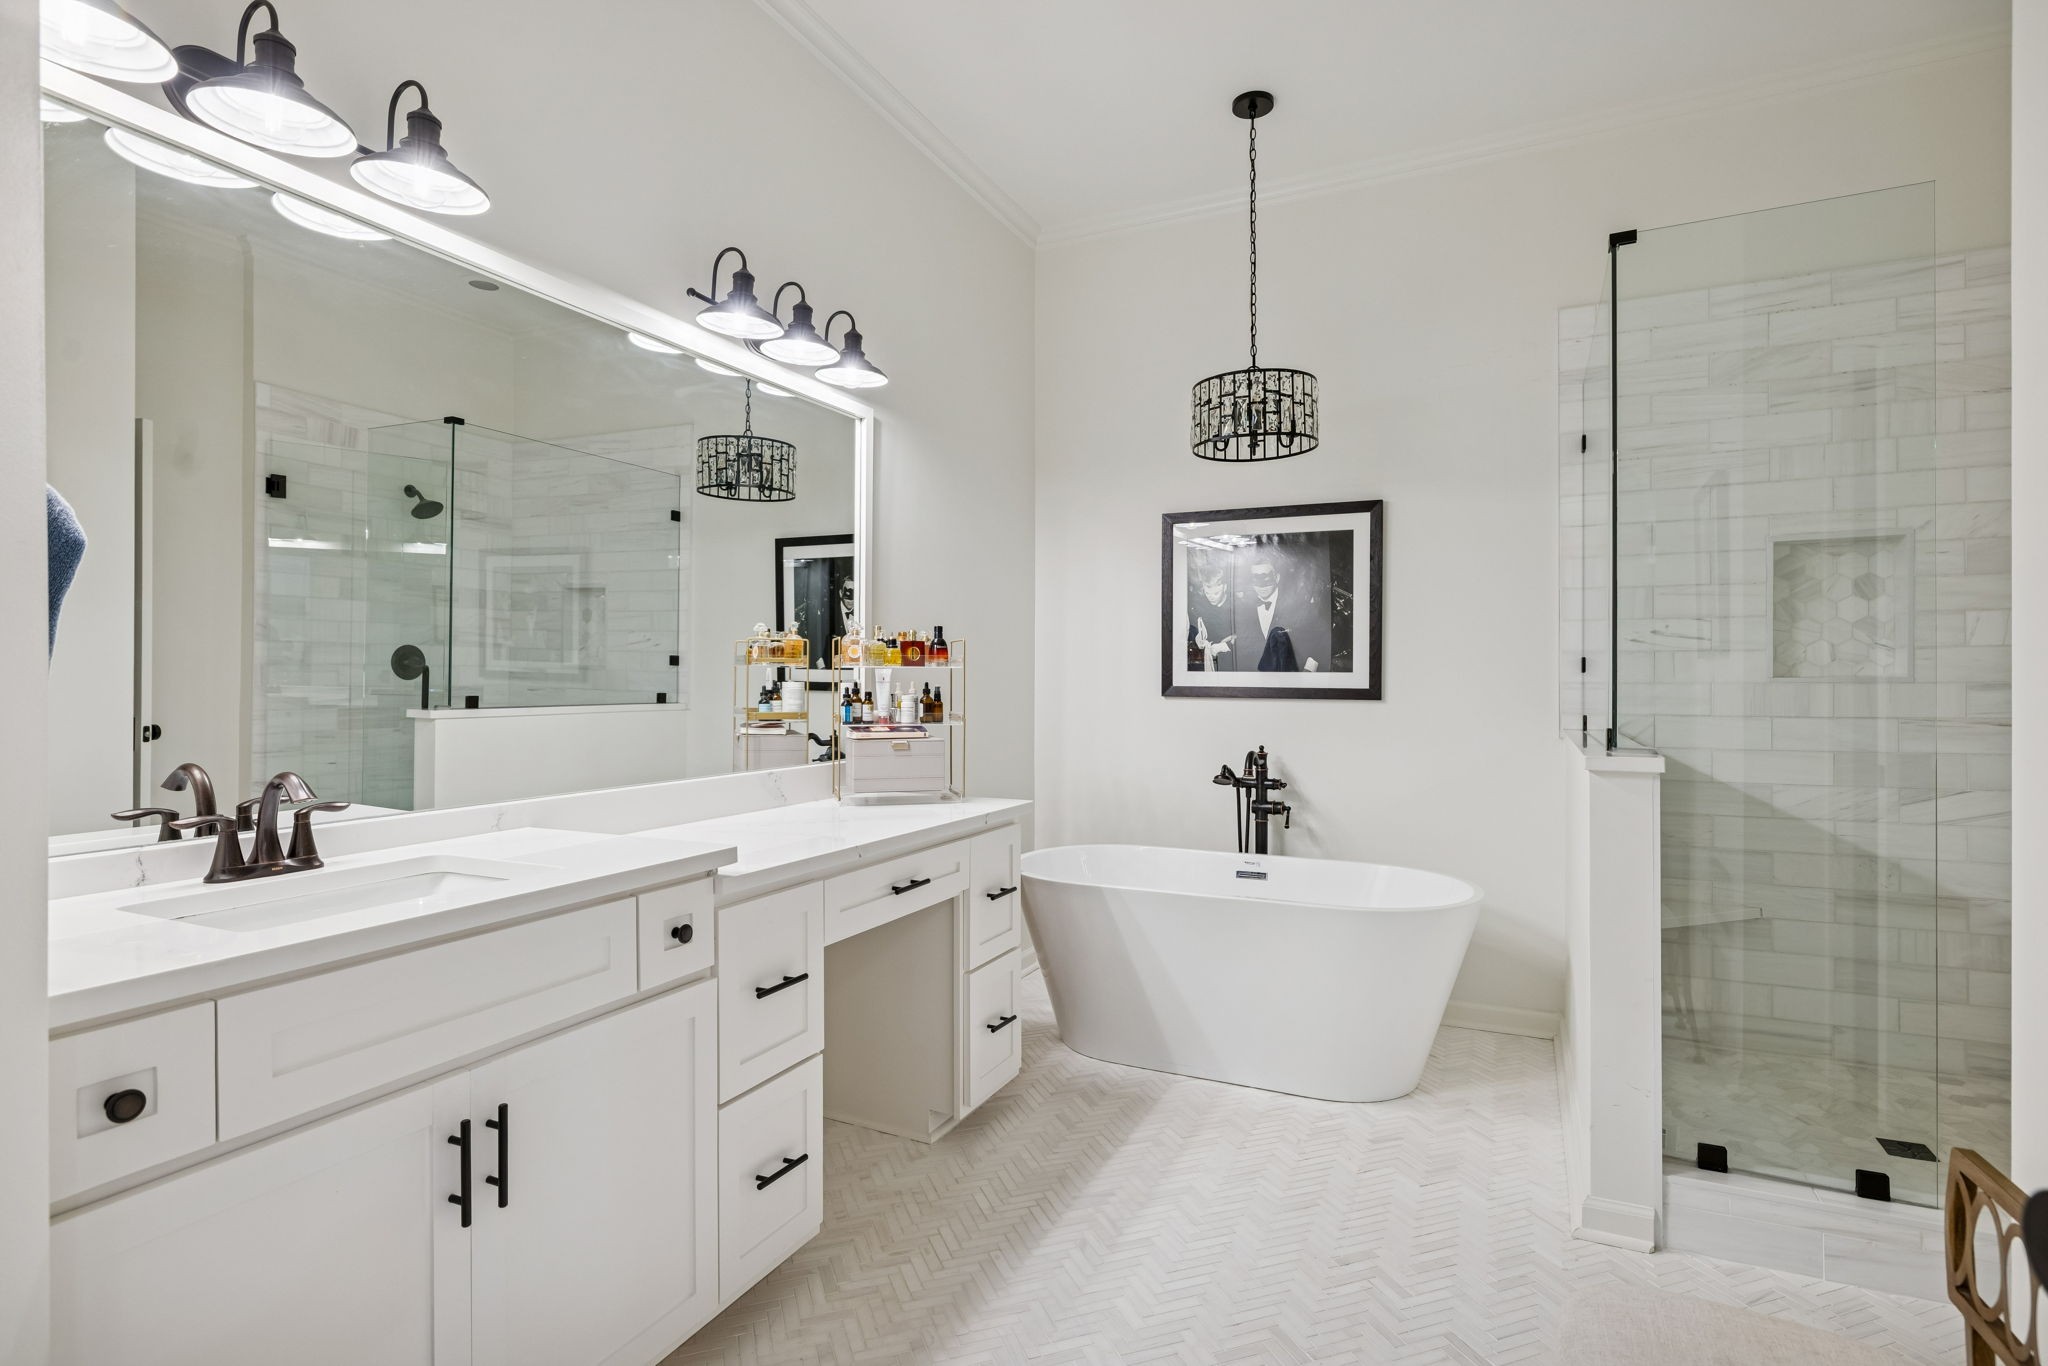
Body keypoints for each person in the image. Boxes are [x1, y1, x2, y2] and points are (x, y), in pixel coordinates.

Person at [1239, 538, 1331, 673]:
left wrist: (1309, 671)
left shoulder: (1298, 604)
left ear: (1277, 577)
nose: (1261, 585)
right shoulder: (1244, 609)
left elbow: (1320, 639)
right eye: (1256, 579)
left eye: (1266, 578)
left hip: (1293, 681)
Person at [1186, 550, 1238, 670]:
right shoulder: (1198, 607)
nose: (1211, 596)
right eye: (1207, 591)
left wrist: (1229, 644)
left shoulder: (1236, 607)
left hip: (1230, 665)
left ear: (1224, 587)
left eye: (1216, 592)